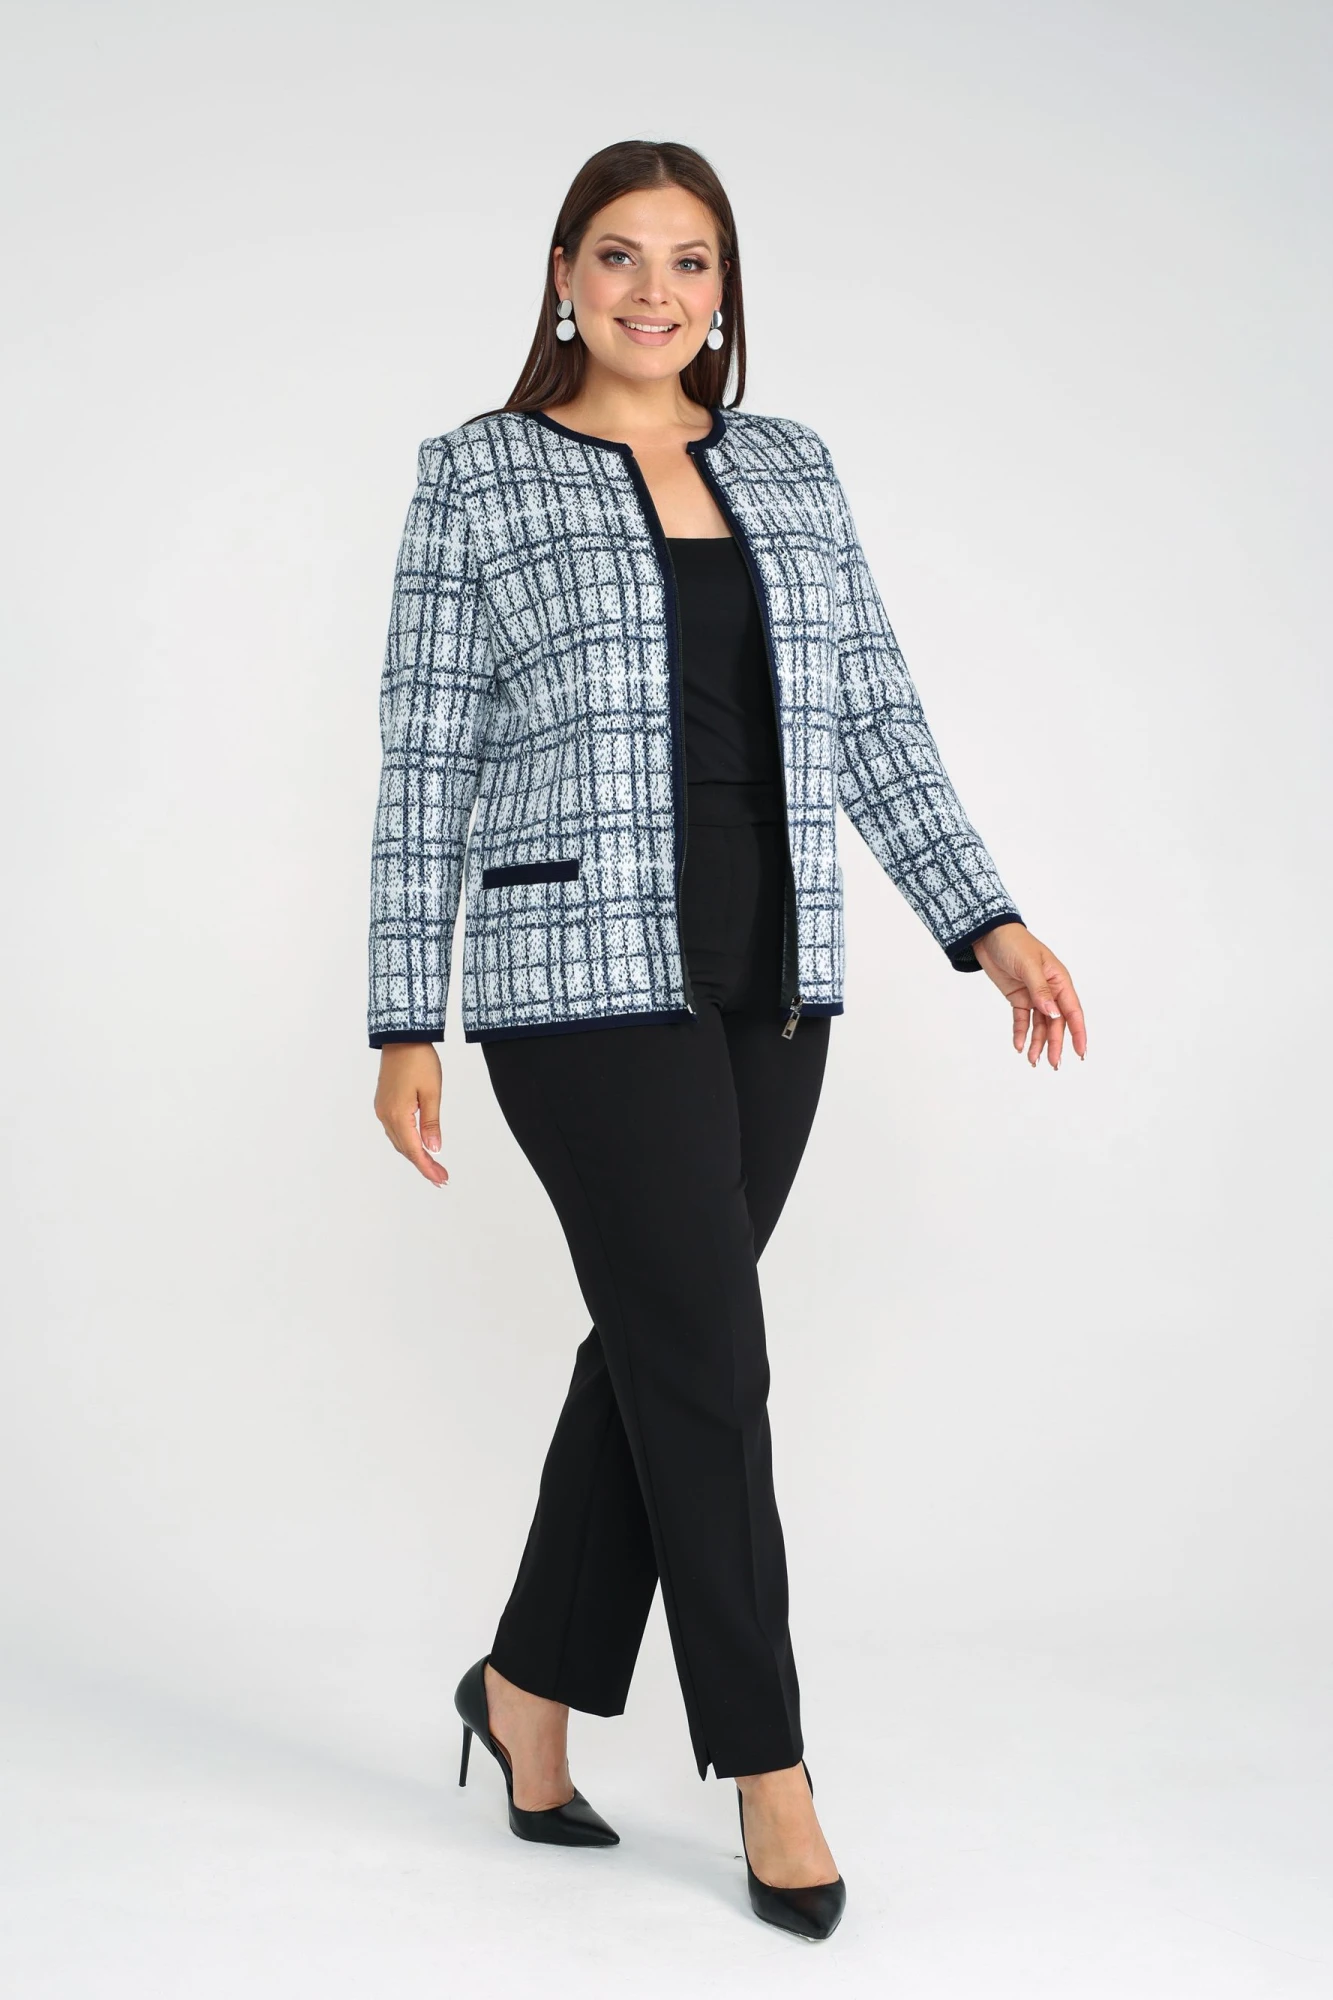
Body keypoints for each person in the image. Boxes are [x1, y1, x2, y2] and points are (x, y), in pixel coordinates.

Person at [368, 139, 1087, 1942]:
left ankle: (525, 1691)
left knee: (660, 1343)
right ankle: (771, 1773)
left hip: (773, 982)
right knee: (707, 1361)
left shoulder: (790, 465)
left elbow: (874, 711)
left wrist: (985, 921)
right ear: (562, 275)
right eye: (619, 256)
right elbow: (426, 756)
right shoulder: (478, 475)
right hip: (578, 980)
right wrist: (402, 1018)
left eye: (690, 262)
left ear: (724, 290)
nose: (654, 292)